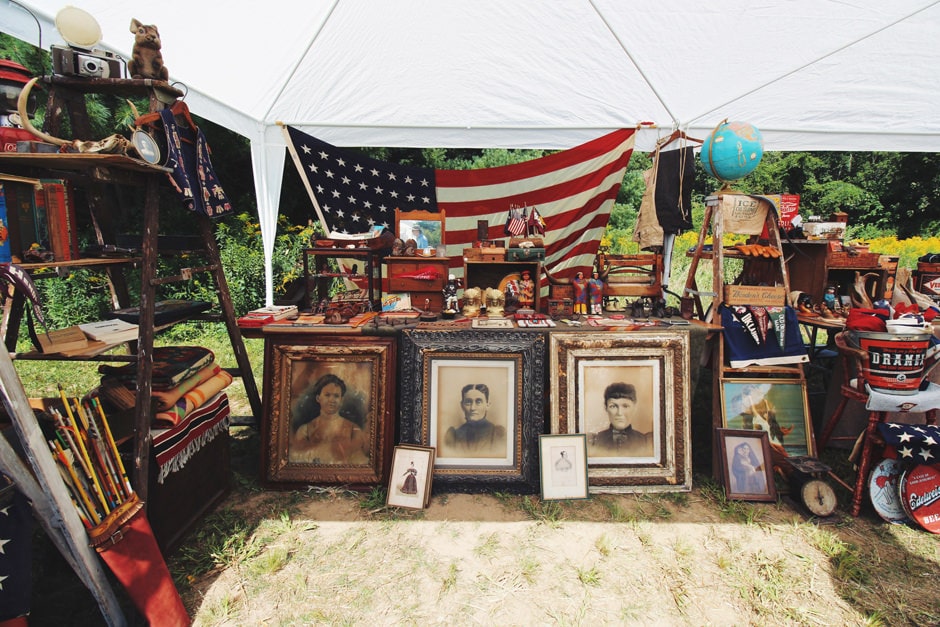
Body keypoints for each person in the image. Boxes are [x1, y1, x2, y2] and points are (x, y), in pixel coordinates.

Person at [290, 373, 368, 464]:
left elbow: (360, 463)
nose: (332, 400)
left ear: (341, 400)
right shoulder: (305, 430)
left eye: (336, 396)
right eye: (327, 395)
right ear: (318, 398)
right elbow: (297, 460)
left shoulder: (354, 430)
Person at [588, 382, 653, 456]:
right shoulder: (593, 442)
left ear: (634, 408)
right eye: (613, 406)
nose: (619, 413)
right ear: (606, 408)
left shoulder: (646, 442)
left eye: (625, 406)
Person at [444, 383, 506, 455]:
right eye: (468, 402)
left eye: (478, 402)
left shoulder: (498, 433)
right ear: (462, 405)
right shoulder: (454, 435)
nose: (473, 408)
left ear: (487, 405)